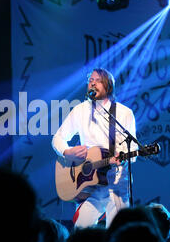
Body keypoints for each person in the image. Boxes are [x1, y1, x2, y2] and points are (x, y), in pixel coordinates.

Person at [52, 68, 138, 228]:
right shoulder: (81, 110)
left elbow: (133, 151)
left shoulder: (124, 113)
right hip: (90, 181)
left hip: (117, 180)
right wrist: (67, 151)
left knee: (117, 231)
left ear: (109, 85)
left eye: (97, 80)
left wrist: (123, 157)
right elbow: (57, 138)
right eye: (90, 80)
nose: (92, 83)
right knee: (80, 229)